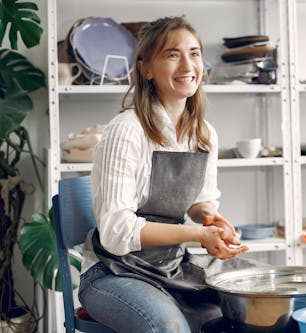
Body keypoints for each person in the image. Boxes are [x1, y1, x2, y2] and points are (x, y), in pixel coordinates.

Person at [78, 16, 253, 333]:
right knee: (169, 327)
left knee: (254, 305)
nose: (188, 65)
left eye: (195, 53)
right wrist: (198, 236)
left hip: (172, 268)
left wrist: (211, 219)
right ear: (146, 69)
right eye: (173, 54)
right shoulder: (126, 130)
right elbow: (117, 232)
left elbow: (200, 202)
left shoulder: (204, 134)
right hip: (114, 273)